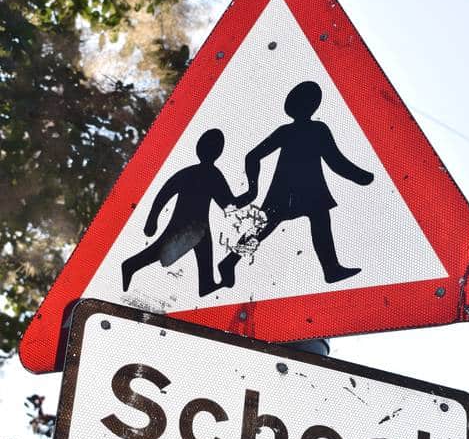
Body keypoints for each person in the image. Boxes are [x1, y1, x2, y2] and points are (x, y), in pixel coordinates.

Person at [218, 80, 374, 287]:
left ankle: (331, 269)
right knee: (268, 226)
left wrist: (360, 176)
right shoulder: (301, 130)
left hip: (308, 189)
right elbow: (253, 156)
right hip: (291, 190)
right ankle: (230, 261)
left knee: (314, 220)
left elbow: (335, 160)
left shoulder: (313, 129)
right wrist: (253, 188)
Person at [122, 128, 245, 297]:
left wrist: (152, 219)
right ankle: (130, 265)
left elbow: (228, 203)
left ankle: (207, 283)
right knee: (159, 250)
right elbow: (229, 204)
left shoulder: (198, 173)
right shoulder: (210, 174)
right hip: (186, 225)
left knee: (197, 253)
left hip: (199, 227)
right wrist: (252, 192)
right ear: (219, 151)